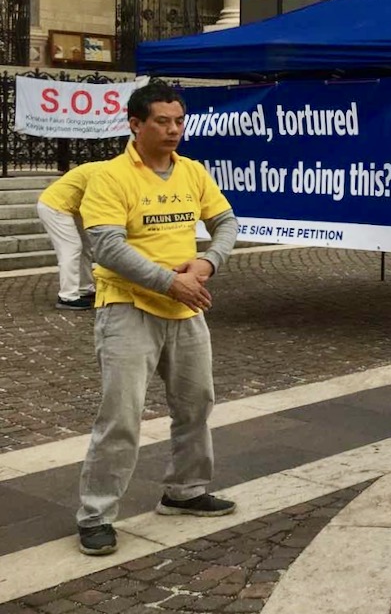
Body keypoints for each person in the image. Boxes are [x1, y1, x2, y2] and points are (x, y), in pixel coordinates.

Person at [75, 82, 240, 557]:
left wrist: (207, 262)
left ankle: (185, 491)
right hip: (127, 307)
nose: (173, 130)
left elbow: (226, 222)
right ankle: (96, 514)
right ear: (135, 124)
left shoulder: (192, 171)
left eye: (179, 121)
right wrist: (170, 282)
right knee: (121, 415)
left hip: (186, 307)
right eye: (162, 121)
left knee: (196, 405)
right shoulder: (109, 176)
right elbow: (106, 246)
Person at [36, 161, 108, 311]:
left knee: (85, 247)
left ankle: (85, 289)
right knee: (72, 248)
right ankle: (67, 296)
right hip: (55, 206)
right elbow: (97, 202)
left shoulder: (108, 169)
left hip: (73, 208)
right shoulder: (104, 173)